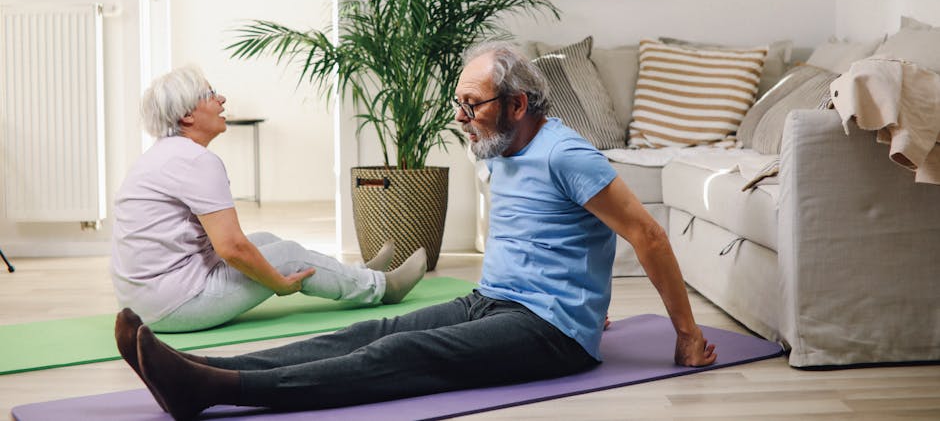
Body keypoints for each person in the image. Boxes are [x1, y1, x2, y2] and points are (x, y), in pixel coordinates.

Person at [115, 45, 717, 421]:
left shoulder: (568, 154)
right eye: (458, 104)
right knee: (367, 329)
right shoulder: (501, 145)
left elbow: (648, 236)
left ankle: (219, 390)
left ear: (519, 103)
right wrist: (589, 296)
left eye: (472, 105)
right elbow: (549, 239)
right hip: (495, 303)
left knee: (400, 354)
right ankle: (191, 366)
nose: (462, 118)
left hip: (550, 332)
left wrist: (684, 336)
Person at [110, 65, 427, 335]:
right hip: (173, 305)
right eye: (210, 95)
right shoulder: (195, 161)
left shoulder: (163, 155)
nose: (222, 99)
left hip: (144, 302)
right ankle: (384, 288)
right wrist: (279, 283)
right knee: (288, 255)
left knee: (266, 240)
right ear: (186, 115)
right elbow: (231, 248)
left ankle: (356, 273)